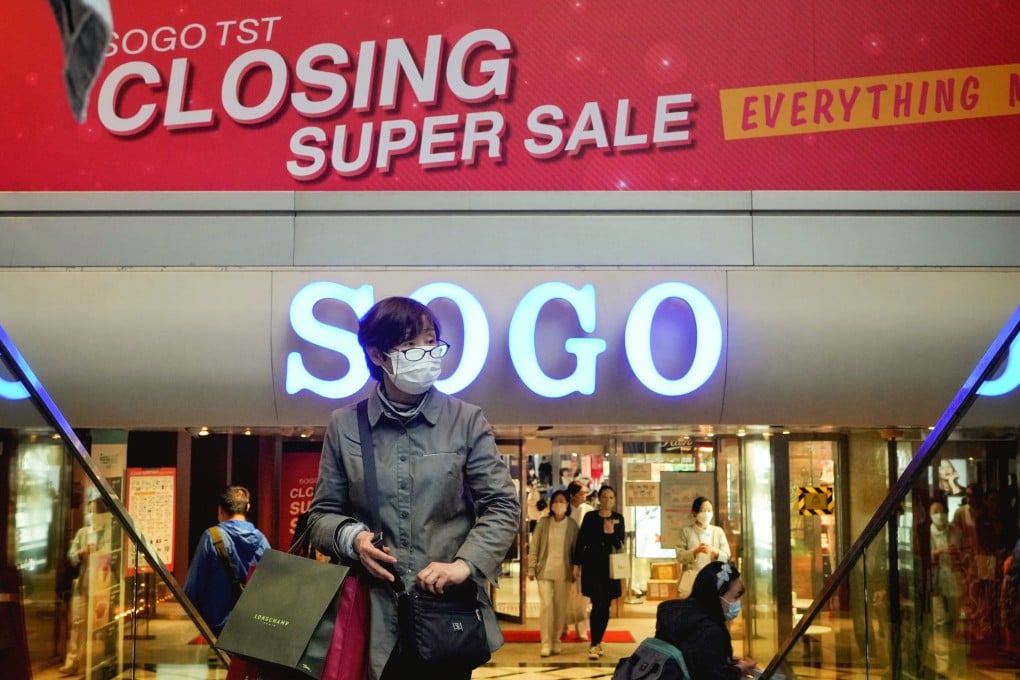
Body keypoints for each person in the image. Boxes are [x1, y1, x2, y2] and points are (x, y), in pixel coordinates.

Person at [306, 296, 520, 680]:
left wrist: (464, 565)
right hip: (368, 621)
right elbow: (320, 515)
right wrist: (351, 537)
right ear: (377, 354)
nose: (424, 353)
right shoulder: (345, 426)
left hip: (445, 619)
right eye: (409, 345)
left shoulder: (466, 421)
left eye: (430, 341)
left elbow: (502, 505)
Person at [183, 486, 270, 636]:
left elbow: (194, 586)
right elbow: (269, 585)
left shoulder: (212, 537)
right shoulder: (262, 540)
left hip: (216, 628)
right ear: (248, 507)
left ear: (220, 509)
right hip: (248, 626)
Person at [655, 561, 758, 680]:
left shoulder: (671, 612)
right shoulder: (711, 630)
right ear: (716, 596)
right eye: (735, 596)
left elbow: (689, 657)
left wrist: (720, 658)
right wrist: (739, 669)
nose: (737, 603)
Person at [572, 484, 625, 660]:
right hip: (593, 566)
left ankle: (598, 640)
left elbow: (620, 543)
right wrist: (576, 564)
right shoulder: (590, 517)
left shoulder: (618, 518)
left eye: (611, 497)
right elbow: (581, 542)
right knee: (598, 603)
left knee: (606, 606)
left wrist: (611, 534)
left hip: (610, 568)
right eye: (604, 497)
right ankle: (594, 643)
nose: (607, 501)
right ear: (598, 499)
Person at [528, 489, 579, 657]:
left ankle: (556, 641)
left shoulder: (572, 525)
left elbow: (576, 551)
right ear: (551, 505)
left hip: (564, 572)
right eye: (555, 501)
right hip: (544, 571)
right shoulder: (543, 523)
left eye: (562, 501)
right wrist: (531, 568)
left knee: (559, 608)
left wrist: (576, 568)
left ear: (567, 505)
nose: (558, 504)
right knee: (546, 607)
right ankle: (546, 642)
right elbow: (534, 547)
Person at [676, 497, 731, 584]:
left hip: (713, 579)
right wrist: (695, 551)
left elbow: (726, 556)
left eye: (709, 511)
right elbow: (680, 556)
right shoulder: (686, 531)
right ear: (694, 512)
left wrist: (714, 551)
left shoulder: (718, 531)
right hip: (691, 580)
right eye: (702, 510)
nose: (706, 514)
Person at [564, 480, 594, 640]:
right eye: (582, 493)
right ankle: (563, 625)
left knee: (582, 594)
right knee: (564, 593)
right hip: (564, 555)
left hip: (583, 556)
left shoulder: (589, 511)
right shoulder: (565, 510)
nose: (585, 496)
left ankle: (582, 629)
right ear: (573, 496)